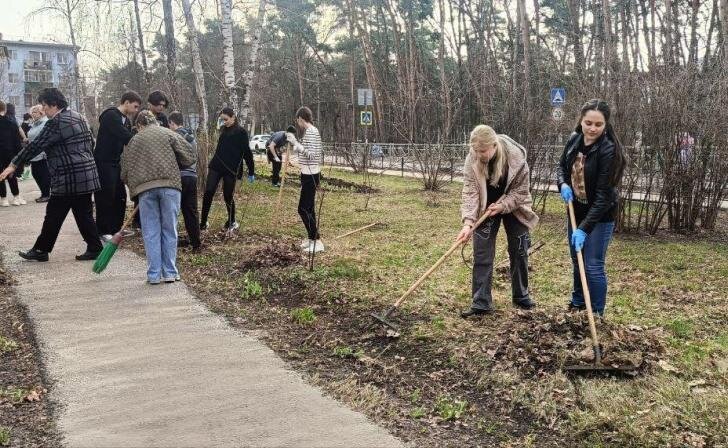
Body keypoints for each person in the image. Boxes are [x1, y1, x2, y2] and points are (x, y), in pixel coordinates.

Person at [0, 88, 103, 262]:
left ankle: (41, 250)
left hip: (68, 177)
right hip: (86, 174)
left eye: (45, 107)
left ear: (54, 105)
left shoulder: (56, 122)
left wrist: (13, 164)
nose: (44, 111)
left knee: (54, 214)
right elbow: (91, 142)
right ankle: (94, 247)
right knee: (83, 213)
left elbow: (36, 145)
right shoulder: (78, 116)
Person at [457, 125, 538, 318]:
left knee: (519, 250)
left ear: (494, 145)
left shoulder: (517, 158)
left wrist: (503, 206)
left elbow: (521, 192)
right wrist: (468, 222)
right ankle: (481, 302)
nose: (480, 155)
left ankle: (521, 295)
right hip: (485, 208)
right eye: (476, 151)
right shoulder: (472, 159)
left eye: (483, 151)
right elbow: (470, 191)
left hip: (515, 207)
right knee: (482, 252)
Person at [556, 99, 625, 317]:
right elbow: (561, 167)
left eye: (598, 124)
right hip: (576, 210)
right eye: (588, 123)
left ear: (606, 125)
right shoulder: (574, 140)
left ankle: (596, 312)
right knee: (577, 260)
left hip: (601, 215)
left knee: (592, 265)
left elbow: (604, 197)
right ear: (581, 120)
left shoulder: (609, 151)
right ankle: (577, 303)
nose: (592, 128)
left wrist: (584, 229)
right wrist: (563, 184)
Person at [120, 110, 196, 284]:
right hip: (170, 187)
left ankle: (153, 275)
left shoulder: (134, 141)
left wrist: (135, 186)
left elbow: (124, 172)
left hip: (146, 190)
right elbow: (189, 157)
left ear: (139, 125)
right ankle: (170, 272)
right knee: (170, 229)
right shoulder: (168, 133)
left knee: (151, 231)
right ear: (155, 121)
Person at [94, 91, 141, 240]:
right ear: (126, 102)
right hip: (103, 162)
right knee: (106, 196)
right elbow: (125, 137)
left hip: (116, 162)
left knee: (120, 196)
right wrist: (142, 142)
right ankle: (103, 230)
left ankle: (116, 229)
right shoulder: (110, 116)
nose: (136, 110)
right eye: (135, 106)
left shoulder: (125, 120)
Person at [199, 108, 255, 231]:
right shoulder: (223, 130)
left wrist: (251, 170)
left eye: (226, 119)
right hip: (216, 165)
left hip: (230, 169)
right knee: (208, 192)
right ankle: (203, 222)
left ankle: (231, 221)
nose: (224, 122)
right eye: (222, 119)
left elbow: (247, 152)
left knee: (228, 196)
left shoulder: (241, 132)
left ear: (233, 117)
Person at [285, 107, 324, 253]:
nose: (298, 123)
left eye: (298, 120)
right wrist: (296, 144)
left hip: (311, 174)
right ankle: (312, 238)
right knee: (309, 209)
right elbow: (306, 150)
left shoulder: (312, 132)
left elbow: (312, 155)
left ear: (301, 118)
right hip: (308, 173)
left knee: (302, 209)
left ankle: (317, 241)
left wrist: (295, 142)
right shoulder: (310, 131)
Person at [168, 111, 201, 251]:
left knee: (172, 210)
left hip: (177, 177)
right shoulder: (192, 137)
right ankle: (195, 242)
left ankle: (171, 242)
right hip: (192, 177)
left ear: (172, 123)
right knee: (191, 211)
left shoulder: (173, 137)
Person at [0, 101, 24, 206]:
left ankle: (4, 199)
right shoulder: (11, 122)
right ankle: (16, 197)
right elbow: (17, 141)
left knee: (0, 175)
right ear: (4, 109)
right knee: (11, 175)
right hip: (10, 152)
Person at [26, 105, 51, 202]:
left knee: (43, 174)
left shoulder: (45, 123)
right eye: (32, 112)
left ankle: (46, 195)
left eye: (35, 112)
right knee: (35, 173)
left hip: (42, 154)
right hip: (34, 153)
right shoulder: (34, 124)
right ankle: (44, 193)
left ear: (42, 113)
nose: (32, 114)